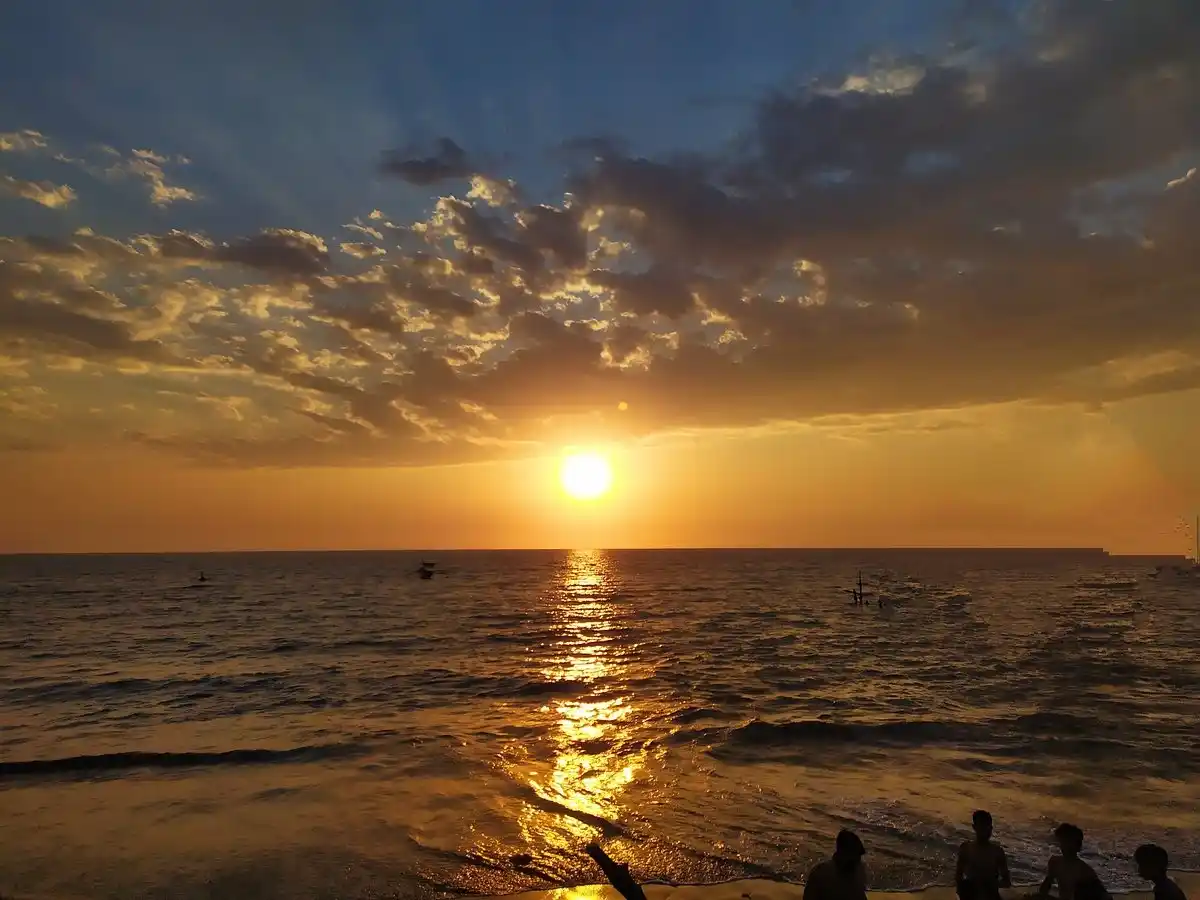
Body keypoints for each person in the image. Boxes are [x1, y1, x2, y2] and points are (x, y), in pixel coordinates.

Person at [956, 810, 1011, 900]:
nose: (985, 831)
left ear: (991, 828)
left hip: (990, 895)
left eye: (987, 828)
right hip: (971, 894)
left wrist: (991, 884)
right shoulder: (966, 848)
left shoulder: (997, 851)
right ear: (974, 827)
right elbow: (958, 877)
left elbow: (1007, 882)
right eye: (982, 828)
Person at [1036, 823, 1098, 900]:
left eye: (1070, 843)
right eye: (1064, 842)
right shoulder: (1055, 863)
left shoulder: (1085, 871)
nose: (1066, 846)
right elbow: (1044, 890)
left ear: (1078, 846)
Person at [804, 830, 869, 900]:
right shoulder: (820, 874)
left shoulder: (859, 870)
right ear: (842, 853)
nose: (858, 861)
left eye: (858, 858)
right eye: (855, 857)